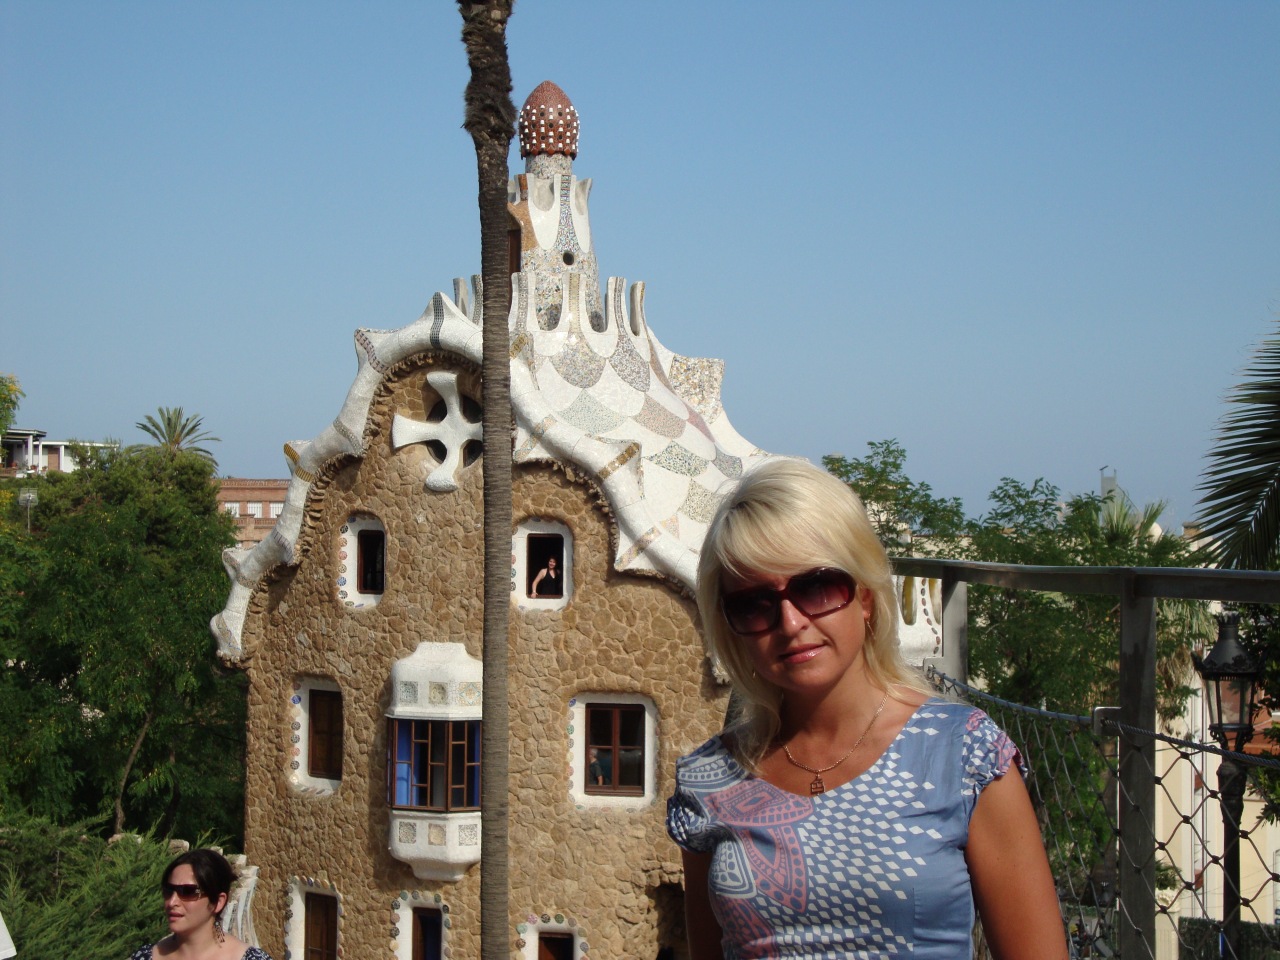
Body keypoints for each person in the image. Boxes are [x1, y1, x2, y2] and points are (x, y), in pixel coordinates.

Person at [666, 459, 1066, 959]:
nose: (791, 622)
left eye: (816, 587)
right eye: (753, 603)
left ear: (867, 597)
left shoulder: (964, 755)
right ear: (729, 625)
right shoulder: (709, 781)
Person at [129, 848, 273, 960]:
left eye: (187, 891)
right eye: (168, 890)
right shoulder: (144, 957)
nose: (172, 902)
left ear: (218, 902)